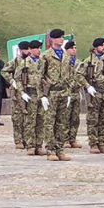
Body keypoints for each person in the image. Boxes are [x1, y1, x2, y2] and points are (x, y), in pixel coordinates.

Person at [40, 29, 72, 161]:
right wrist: (42, 95)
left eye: (62, 38)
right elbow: (39, 76)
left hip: (63, 91)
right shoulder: (46, 55)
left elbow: (69, 75)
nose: (61, 40)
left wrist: (69, 92)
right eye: (59, 38)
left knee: (61, 122)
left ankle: (60, 149)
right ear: (52, 39)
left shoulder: (65, 55)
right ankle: (51, 150)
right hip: (51, 92)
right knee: (49, 122)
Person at [78, 37, 104, 154]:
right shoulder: (88, 61)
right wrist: (87, 86)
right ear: (96, 48)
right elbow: (79, 75)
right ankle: (93, 143)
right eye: (102, 46)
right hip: (93, 92)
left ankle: (103, 142)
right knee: (93, 119)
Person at [1, 41, 30, 147]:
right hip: (17, 92)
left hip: (29, 91)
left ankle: (28, 139)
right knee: (18, 117)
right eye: (26, 49)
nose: (28, 51)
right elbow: (4, 71)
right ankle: (18, 140)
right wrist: (12, 81)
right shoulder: (15, 61)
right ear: (21, 50)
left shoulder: (31, 61)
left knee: (29, 116)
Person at [63, 40, 84, 149]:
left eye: (75, 48)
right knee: (66, 116)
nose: (74, 50)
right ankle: (65, 138)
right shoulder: (63, 61)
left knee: (75, 117)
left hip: (76, 91)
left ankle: (73, 138)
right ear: (67, 50)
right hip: (67, 92)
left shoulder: (78, 62)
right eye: (72, 48)